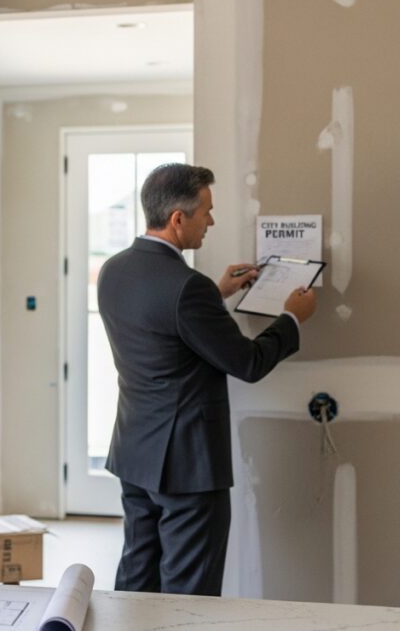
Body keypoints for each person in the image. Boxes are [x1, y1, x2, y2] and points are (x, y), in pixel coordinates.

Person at [97, 163, 317, 596]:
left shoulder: (113, 271)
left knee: (136, 579)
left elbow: (160, 324)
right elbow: (248, 363)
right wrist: (293, 317)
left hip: (134, 453)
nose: (211, 221)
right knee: (188, 591)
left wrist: (217, 293)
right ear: (178, 219)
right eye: (206, 211)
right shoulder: (186, 287)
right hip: (187, 465)